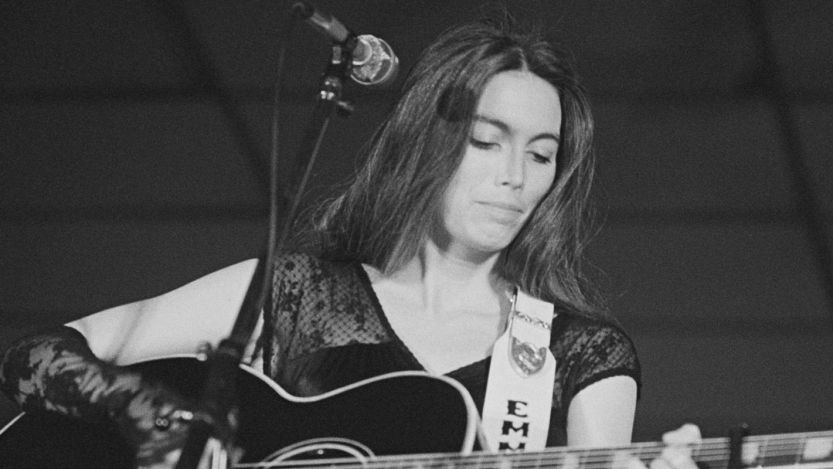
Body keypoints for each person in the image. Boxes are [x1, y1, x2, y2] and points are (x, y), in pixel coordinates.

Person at [0, 20, 699, 468]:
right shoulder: (296, 292)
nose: (514, 177)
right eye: (487, 142)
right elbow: (35, 355)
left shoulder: (574, 352)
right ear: (430, 141)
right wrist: (147, 414)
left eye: (541, 155)